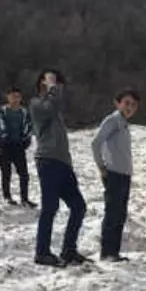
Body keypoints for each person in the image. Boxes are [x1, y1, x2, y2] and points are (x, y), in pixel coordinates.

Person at [29, 69, 88, 267]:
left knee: (78, 207)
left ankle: (68, 250)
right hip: (47, 160)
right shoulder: (36, 104)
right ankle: (42, 252)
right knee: (50, 207)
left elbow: (54, 106)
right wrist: (52, 88)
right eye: (53, 83)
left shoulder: (55, 111)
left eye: (59, 85)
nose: (58, 88)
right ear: (42, 85)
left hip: (63, 163)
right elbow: (50, 107)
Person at [91, 89, 140, 262]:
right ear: (117, 103)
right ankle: (107, 253)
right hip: (113, 174)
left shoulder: (124, 123)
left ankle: (114, 252)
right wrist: (101, 167)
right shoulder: (112, 120)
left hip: (124, 175)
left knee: (120, 214)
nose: (130, 107)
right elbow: (95, 143)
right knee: (112, 213)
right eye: (126, 103)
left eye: (133, 105)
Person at [0, 87, 35, 207]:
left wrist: (26, 142)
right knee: (6, 173)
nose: (15, 99)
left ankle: (24, 199)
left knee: (24, 174)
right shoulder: (1, 112)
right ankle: (7, 196)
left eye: (18, 96)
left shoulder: (24, 113)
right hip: (5, 146)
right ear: (8, 97)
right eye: (13, 96)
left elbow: (29, 129)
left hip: (19, 146)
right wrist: (0, 141)